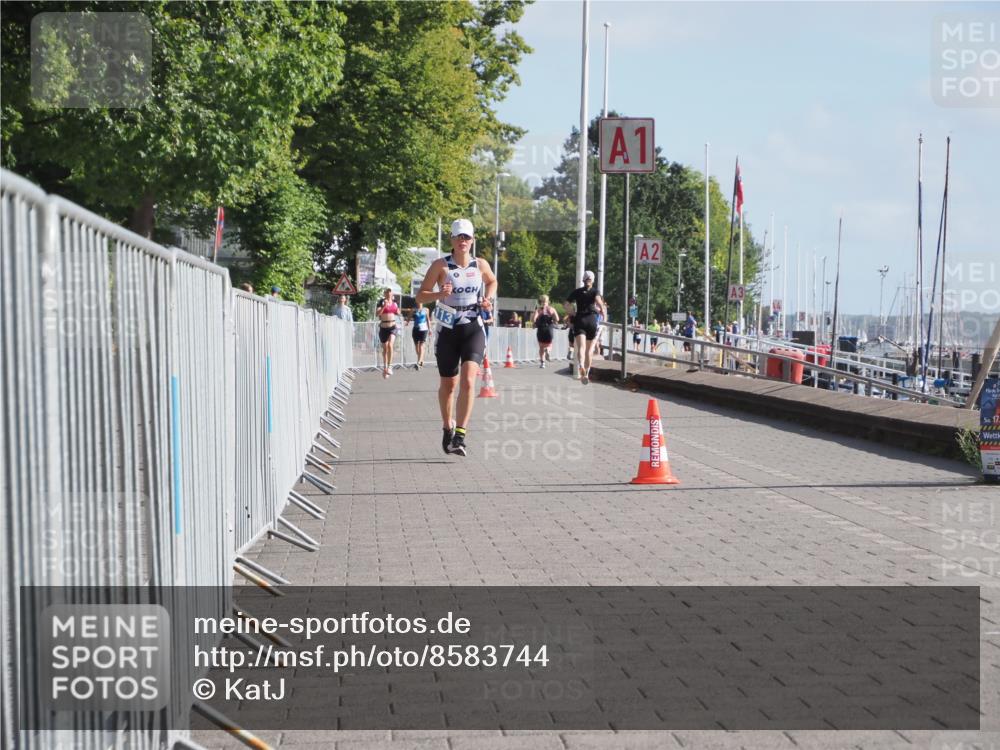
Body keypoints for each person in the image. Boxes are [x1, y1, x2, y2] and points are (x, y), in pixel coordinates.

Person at [416, 218, 497, 457]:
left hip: (473, 326)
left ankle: (461, 434)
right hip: (448, 330)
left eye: (467, 237)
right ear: (451, 239)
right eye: (459, 237)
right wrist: (439, 293)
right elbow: (420, 296)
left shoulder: (480, 264)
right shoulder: (441, 266)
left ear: (472, 240)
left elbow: (492, 281)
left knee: (469, 380)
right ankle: (446, 426)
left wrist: (488, 299)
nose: (463, 241)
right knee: (449, 385)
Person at [565, 270, 606, 385]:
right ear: (592, 280)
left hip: (580, 320)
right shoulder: (595, 291)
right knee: (589, 350)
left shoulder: (577, 292)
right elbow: (599, 302)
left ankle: (581, 366)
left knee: (581, 347)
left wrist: (572, 313)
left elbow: (566, 304)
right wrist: (603, 313)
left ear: (583, 280)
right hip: (592, 319)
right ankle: (587, 374)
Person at [376, 288, 400, 378]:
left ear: (392, 294)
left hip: (393, 327)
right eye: (387, 293)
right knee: (385, 349)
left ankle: (390, 366)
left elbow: (398, 312)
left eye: (390, 293)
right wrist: (384, 306)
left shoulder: (395, 303)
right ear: (384, 294)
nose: (389, 294)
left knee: (390, 345)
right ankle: (385, 367)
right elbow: (377, 314)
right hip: (383, 327)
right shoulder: (381, 302)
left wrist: (398, 311)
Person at [532, 295, 558, 368]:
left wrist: (534, 323)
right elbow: (557, 319)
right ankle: (548, 350)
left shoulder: (538, 310)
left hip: (541, 329)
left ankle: (542, 363)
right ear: (548, 301)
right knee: (549, 344)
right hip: (549, 329)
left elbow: (534, 319)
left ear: (540, 302)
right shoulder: (551, 309)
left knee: (541, 347)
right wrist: (554, 320)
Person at [411, 301, 430, 368]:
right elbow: (409, 317)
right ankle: (421, 360)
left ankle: (419, 362)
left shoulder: (426, 309)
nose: (419, 302)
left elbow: (428, 319)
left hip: (424, 329)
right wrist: (407, 322)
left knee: (421, 345)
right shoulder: (414, 309)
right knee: (417, 346)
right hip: (416, 328)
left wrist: (429, 329)